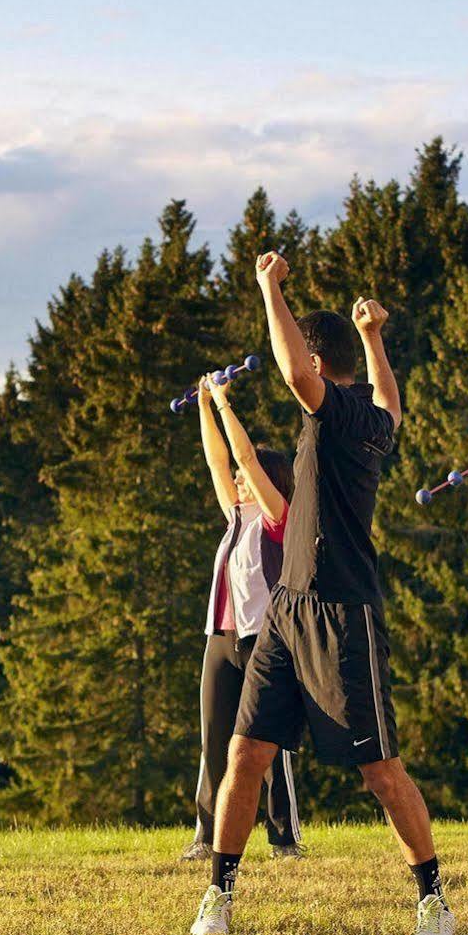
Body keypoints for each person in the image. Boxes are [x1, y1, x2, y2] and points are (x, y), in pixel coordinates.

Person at [189, 251, 456, 935]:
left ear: (314, 356)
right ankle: (217, 892)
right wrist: (374, 338)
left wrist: (266, 287)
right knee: (246, 752)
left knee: (379, 769)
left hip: (343, 611)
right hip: (287, 606)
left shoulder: (337, 414)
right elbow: (391, 400)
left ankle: (432, 899)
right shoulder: (371, 416)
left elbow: (292, 373)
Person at [181, 368, 303, 862]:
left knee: (267, 744)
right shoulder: (235, 517)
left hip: (264, 642)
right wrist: (205, 406)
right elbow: (217, 461)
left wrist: (228, 404)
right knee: (215, 741)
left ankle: (283, 838)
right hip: (221, 640)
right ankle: (206, 836)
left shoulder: (278, 519)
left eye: (246, 479)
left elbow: (244, 458)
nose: (236, 480)